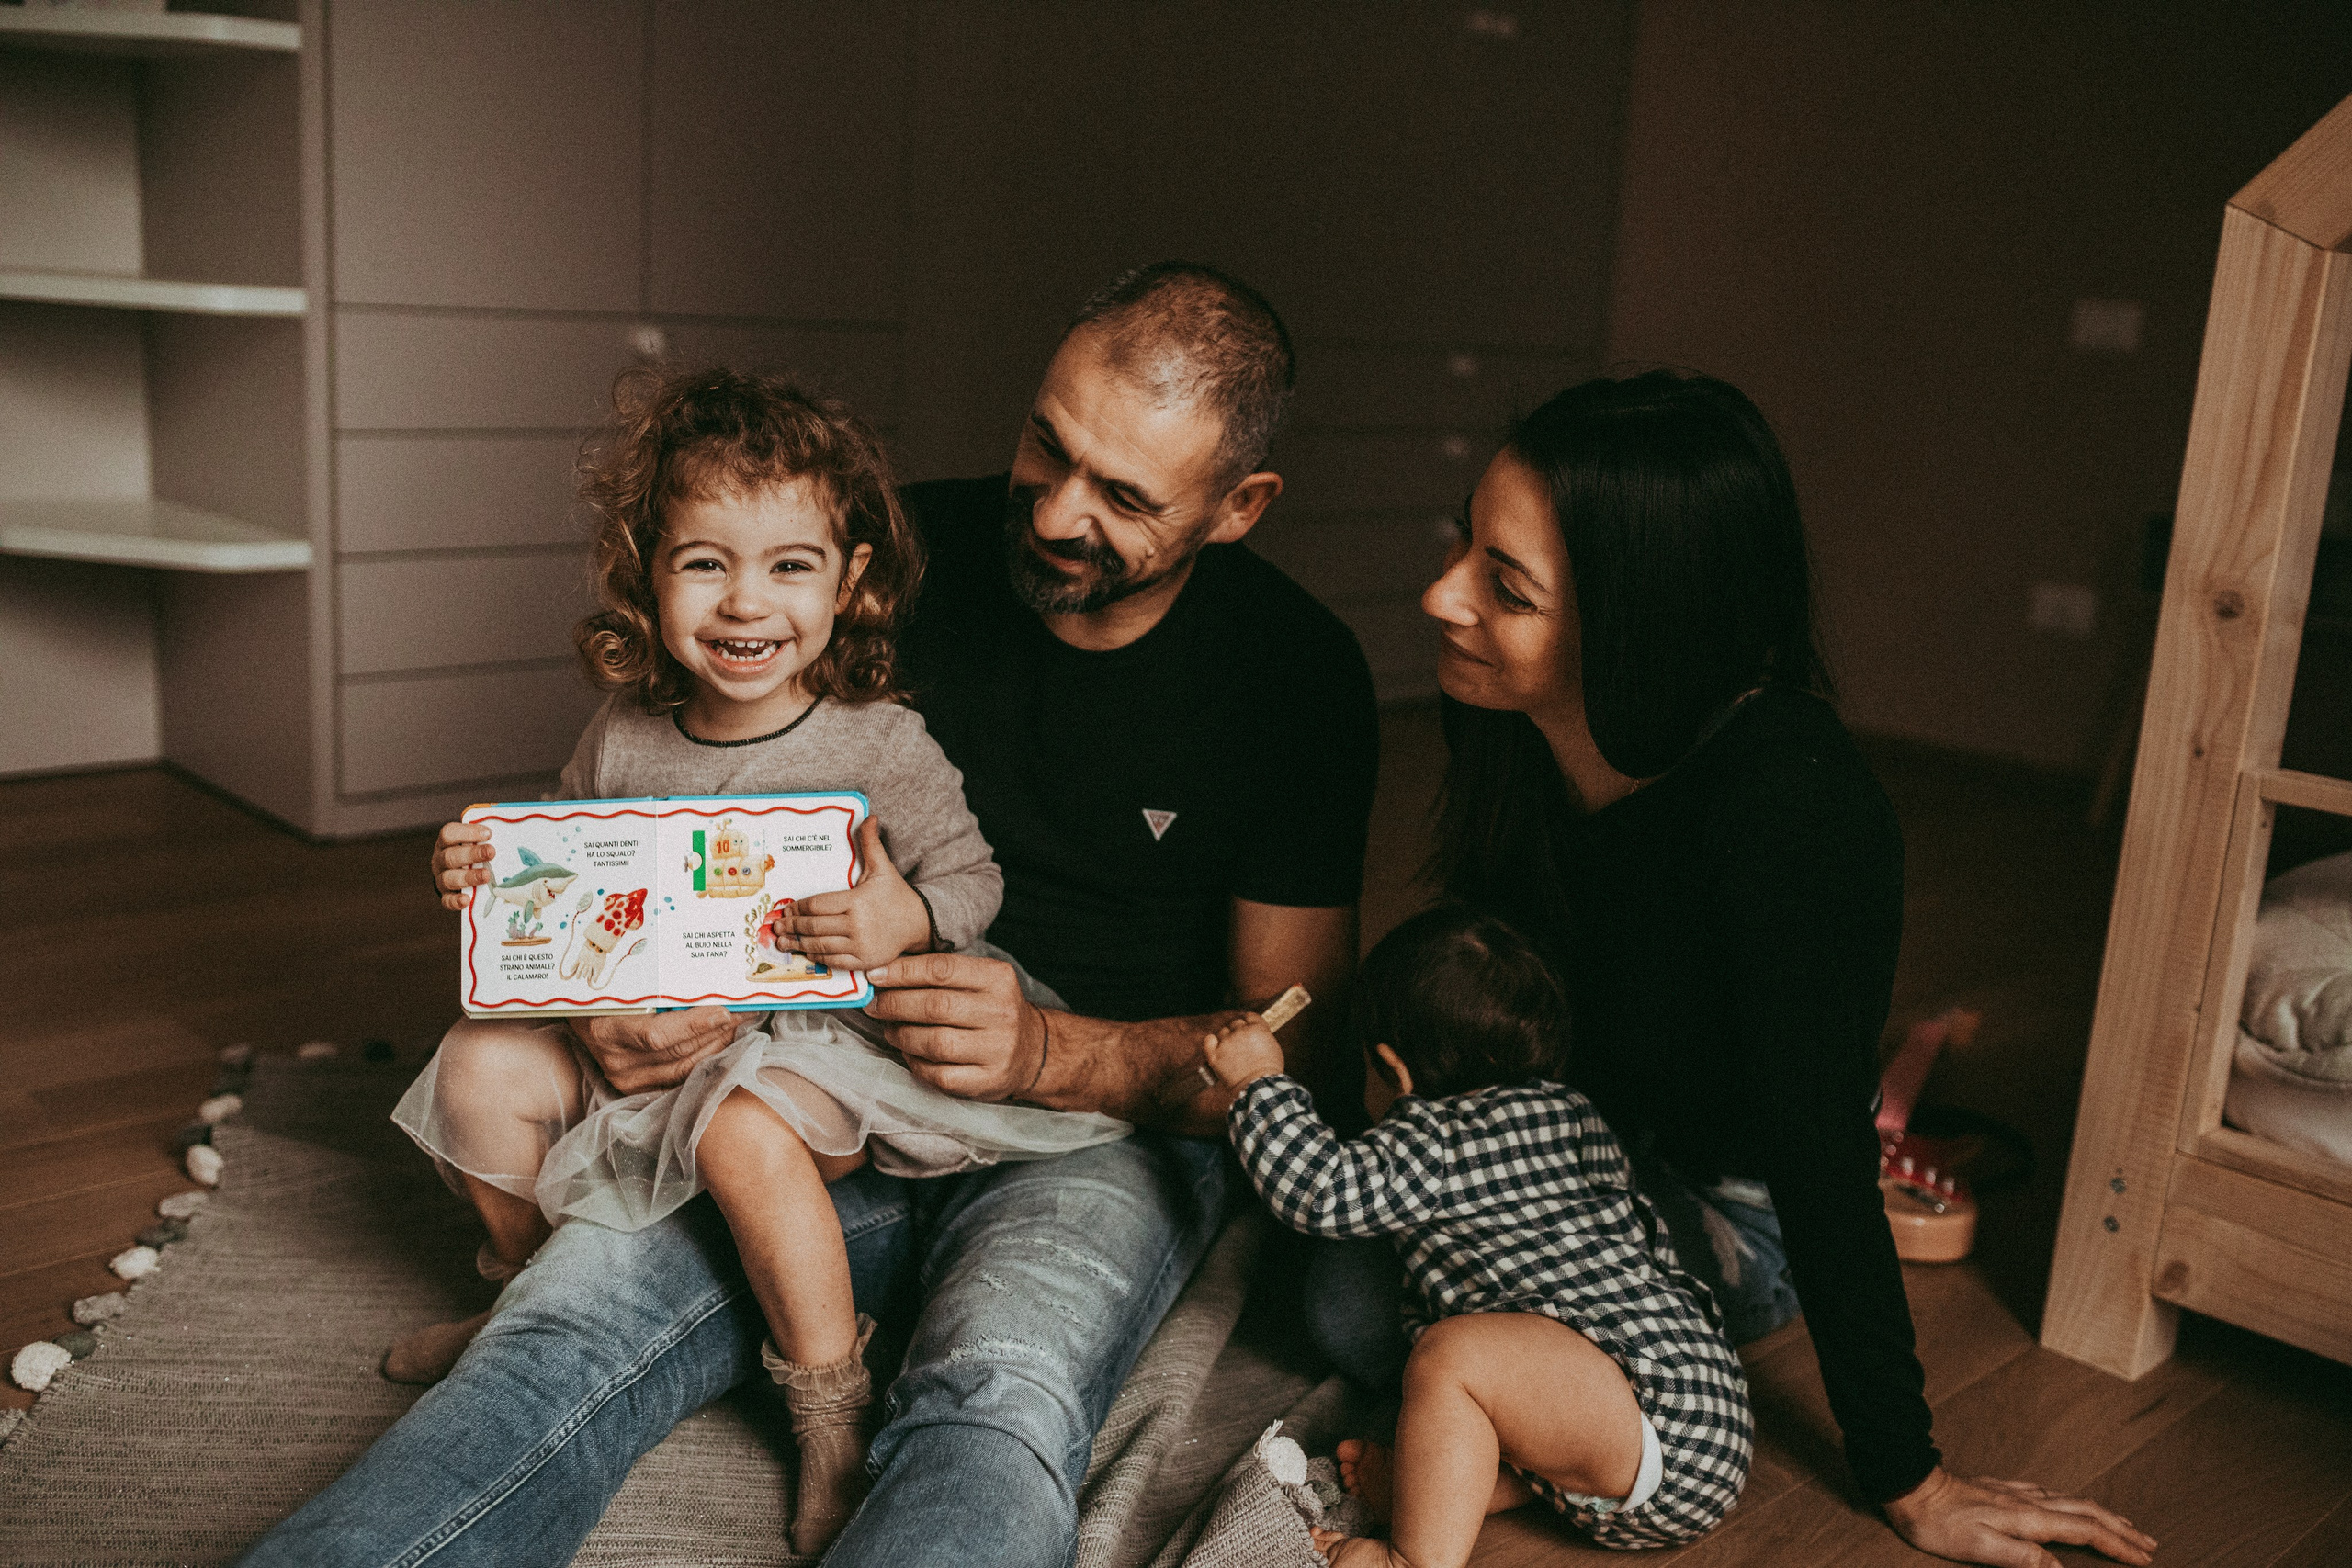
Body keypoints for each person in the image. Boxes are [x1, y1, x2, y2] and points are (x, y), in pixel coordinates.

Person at [240, 262, 1379, 1568]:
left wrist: (1051, 1053)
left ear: (1239, 508)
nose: (1059, 510)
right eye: (1046, 446)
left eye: (1123, 496)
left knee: (994, 1399)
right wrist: (633, 999)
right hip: (787, 1078)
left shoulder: (1296, 675)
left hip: (1091, 1129)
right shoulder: (878, 554)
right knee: (555, 1334)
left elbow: (1292, 1039)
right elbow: (665, 831)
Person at [1307, 368, 2155, 1568]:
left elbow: (1815, 1148)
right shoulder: (1499, 704)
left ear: (1639, 621)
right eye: (1463, 543)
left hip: (1722, 1191)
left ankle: (1501, 1451)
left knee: (1368, 1306)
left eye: (1506, 585)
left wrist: (1910, 1475)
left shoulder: (1796, 810)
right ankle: (1496, 1442)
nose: (1443, 595)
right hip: (1572, 1128)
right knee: (1335, 1276)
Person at [386, 366, 1129, 1557]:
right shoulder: (624, 731)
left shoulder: (879, 740)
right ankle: (524, 1295)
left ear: (852, 580)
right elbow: (567, 875)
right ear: (647, 577)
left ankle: (829, 1403)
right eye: (703, 562)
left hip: (809, 1048)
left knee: (741, 1129)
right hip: (640, 1028)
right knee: (475, 1066)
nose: (747, 601)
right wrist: (485, 874)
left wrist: (904, 921)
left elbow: (972, 884)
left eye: (790, 563)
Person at [1204, 905, 1752, 1566]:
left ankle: (1412, 1557)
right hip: (1700, 1399)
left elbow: (1321, 1188)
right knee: (1498, 1364)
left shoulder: (1432, 1137)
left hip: (1647, 1419)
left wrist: (1257, 1083)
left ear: (1394, 1070)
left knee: (1451, 1358)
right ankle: (1478, 1483)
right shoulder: (1573, 1110)